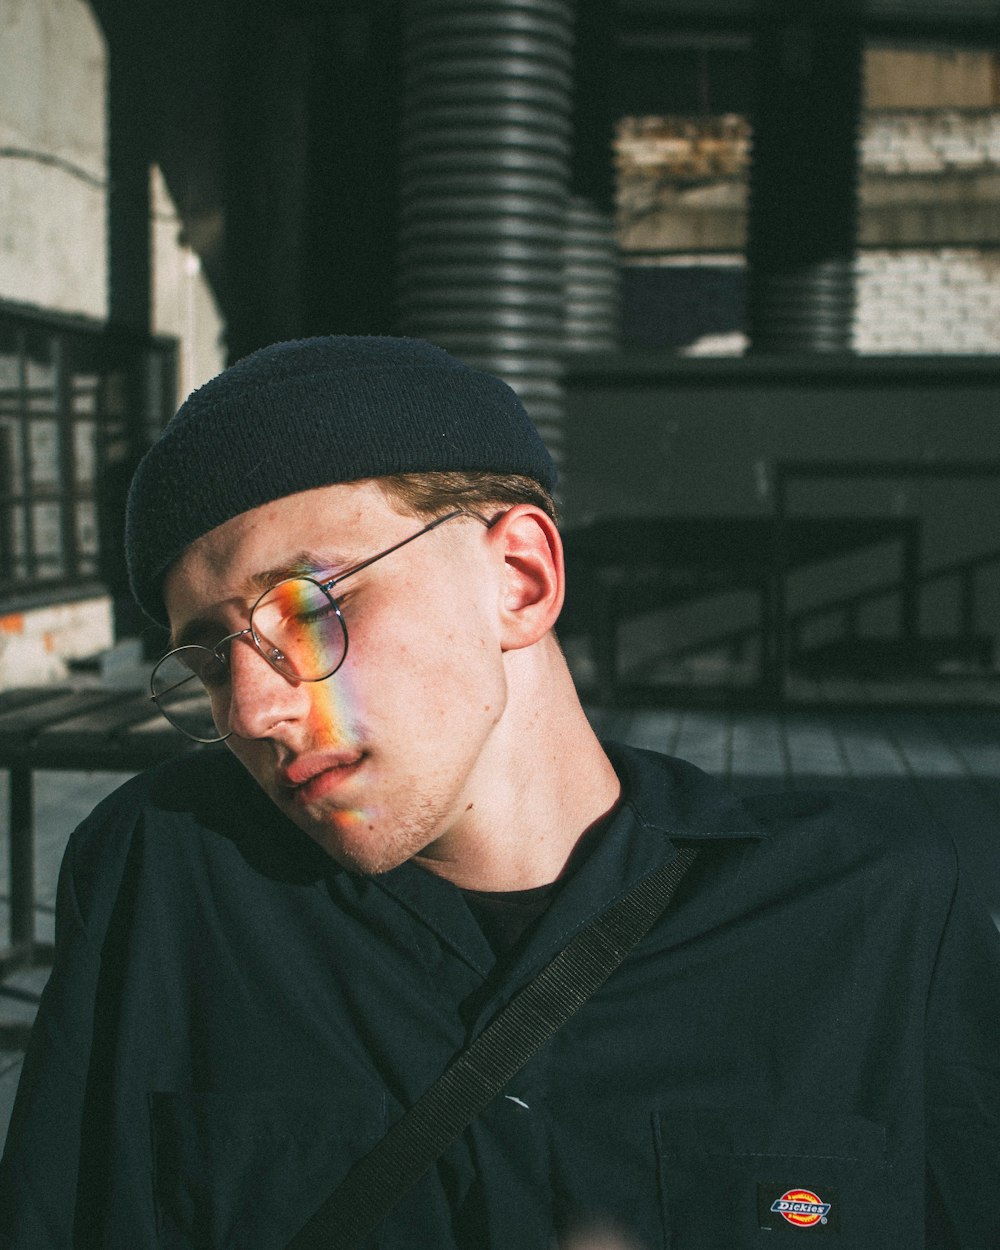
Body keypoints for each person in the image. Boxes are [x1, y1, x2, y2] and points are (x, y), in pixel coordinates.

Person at [0, 336, 997, 1249]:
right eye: (211, 660)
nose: (255, 707)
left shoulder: (872, 916)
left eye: (305, 606)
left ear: (519, 575)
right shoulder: (170, 881)